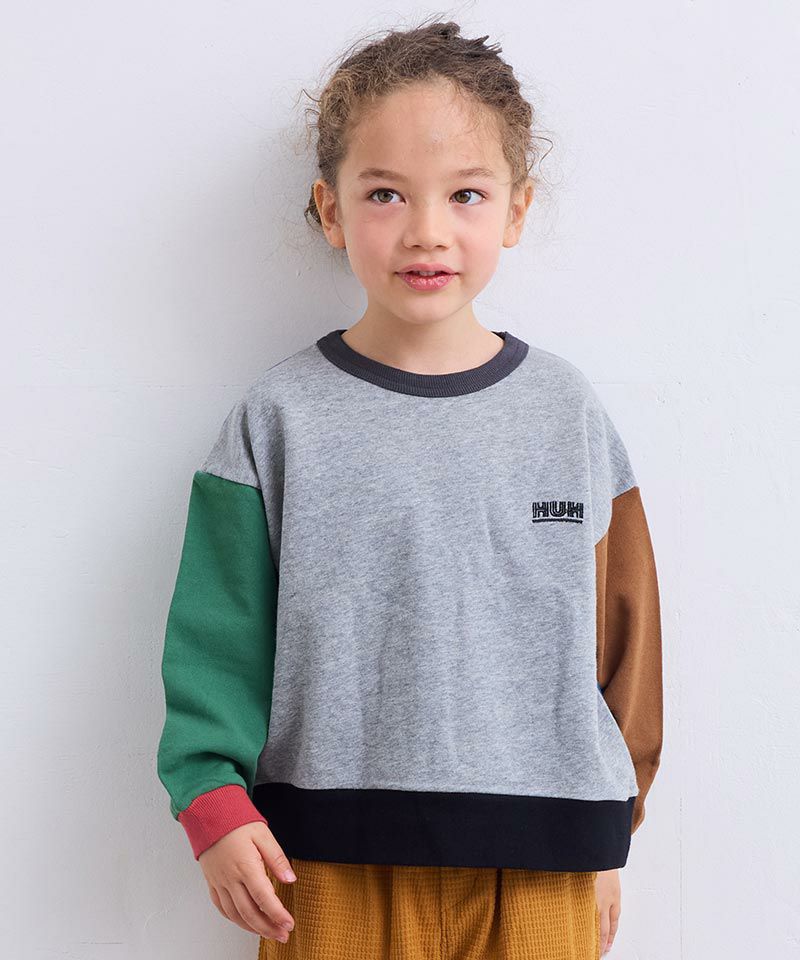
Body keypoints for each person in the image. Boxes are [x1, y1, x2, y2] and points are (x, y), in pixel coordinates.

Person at [156, 16, 663, 960]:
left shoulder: (568, 414)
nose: (427, 230)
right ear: (331, 209)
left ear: (516, 210)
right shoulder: (279, 418)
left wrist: (611, 821)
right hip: (325, 866)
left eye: (466, 193)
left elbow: (624, 639)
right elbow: (216, 639)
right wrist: (212, 801)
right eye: (385, 193)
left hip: (544, 865)